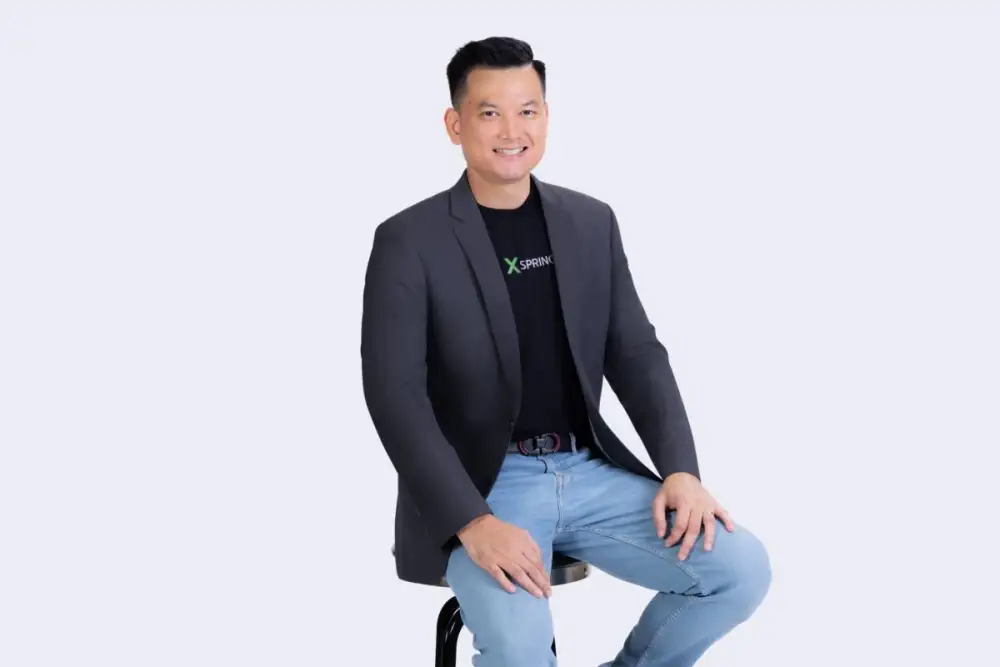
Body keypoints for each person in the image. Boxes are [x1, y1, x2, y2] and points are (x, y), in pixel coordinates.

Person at [360, 36, 771, 667]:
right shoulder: (408, 239)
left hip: (587, 471)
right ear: (455, 124)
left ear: (546, 117)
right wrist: (472, 521)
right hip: (484, 487)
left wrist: (681, 471)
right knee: (519, 649)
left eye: (527, 110)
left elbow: (636, 353)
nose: (512, 130)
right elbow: (396, 399)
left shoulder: (590, 221)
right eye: (490, 112)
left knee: (740, 570)